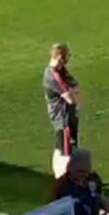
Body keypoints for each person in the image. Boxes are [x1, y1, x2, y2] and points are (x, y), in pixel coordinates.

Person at [43, 43, 81, 178]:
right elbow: (71, 98)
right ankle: (63, 179)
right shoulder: (53, 75)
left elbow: (76, 86)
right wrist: (74, 95)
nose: (69, 58)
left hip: (68, 116)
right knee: (65, 151)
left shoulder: (61, 70)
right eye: (67, 56)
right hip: (63, 118)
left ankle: (63, 177)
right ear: (60, 57)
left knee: (65, 148)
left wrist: (74, 93)